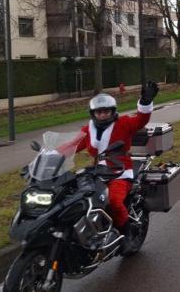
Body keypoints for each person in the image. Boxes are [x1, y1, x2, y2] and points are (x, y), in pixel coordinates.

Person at [63, 82, 159, 251]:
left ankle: (127, 232)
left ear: (113, 111)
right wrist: (48, 155)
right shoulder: (88, 129)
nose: (103, 115)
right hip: (97, 173)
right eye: (99, 112)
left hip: (120, 172)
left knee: (114, 201)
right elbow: (71, 145)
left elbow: (140, 120)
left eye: (106, 111)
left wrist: (145, 101)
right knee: (79, 200)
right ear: (93, 113)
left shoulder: (123, 123)